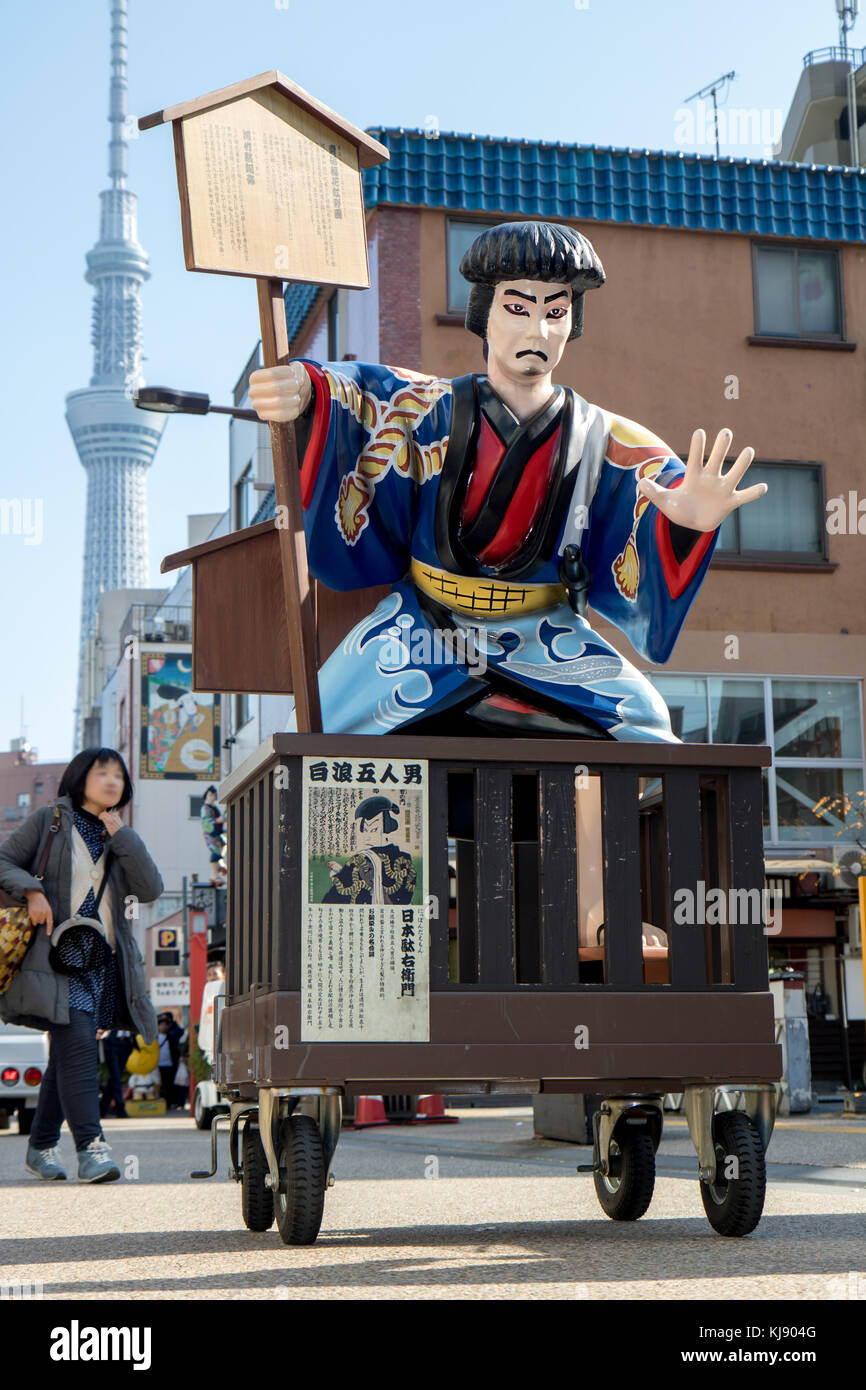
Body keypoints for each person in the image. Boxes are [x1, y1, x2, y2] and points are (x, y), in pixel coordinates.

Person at [248, 220, 767, 741]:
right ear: (483, 315)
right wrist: (304, 389)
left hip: (545, 633)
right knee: (315, 732)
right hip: (424, 624)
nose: (536, 332)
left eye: (555, 312)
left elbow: (660, 493)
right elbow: (355, 392)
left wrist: (686, 527)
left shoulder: (603, 436)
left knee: (646, 728)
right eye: (517, 308)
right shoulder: (424, 406)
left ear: (573, 323)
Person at [0, 747, 163, 1182]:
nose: (113, 781)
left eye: (118, 775)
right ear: (80, 778)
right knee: (78, 1047)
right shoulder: (48, 820)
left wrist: (123, 837)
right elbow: (3, 861)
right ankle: (91, 1148)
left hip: (102, 962)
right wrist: (32, 891)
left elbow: (150, 889)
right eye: (102, 772)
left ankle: (39, 1147)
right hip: (53, 957)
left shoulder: (120, 835)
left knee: (68, 1054)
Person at [99, 1028, 133, 1119]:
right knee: (116, 1077)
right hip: (112, 1043)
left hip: (126, 1043)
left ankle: (102, 1109)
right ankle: (120, 1109)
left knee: (114, 1079)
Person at [156, 1011, 183, 1110]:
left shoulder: (172, 1036)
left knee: (169, 1085)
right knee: (160, 1085)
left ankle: (168, 1103)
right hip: (157, 1064)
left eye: (166, 1024)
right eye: (162, 1025)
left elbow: (181, 1031)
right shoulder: (155, 1037)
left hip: (169, 1064)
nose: (164, 1027)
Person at [200, 786, 226, 885]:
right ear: (206, 796)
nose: (212, 797)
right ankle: (214, 875)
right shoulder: (205, 808)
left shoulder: (213, 808)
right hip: (211, 834)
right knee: (216, 853)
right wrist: (217, 820)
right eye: (211, 795)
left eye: (214, 795)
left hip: (217, 833)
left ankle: (219, 869)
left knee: (222, 849)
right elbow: (205, 822)